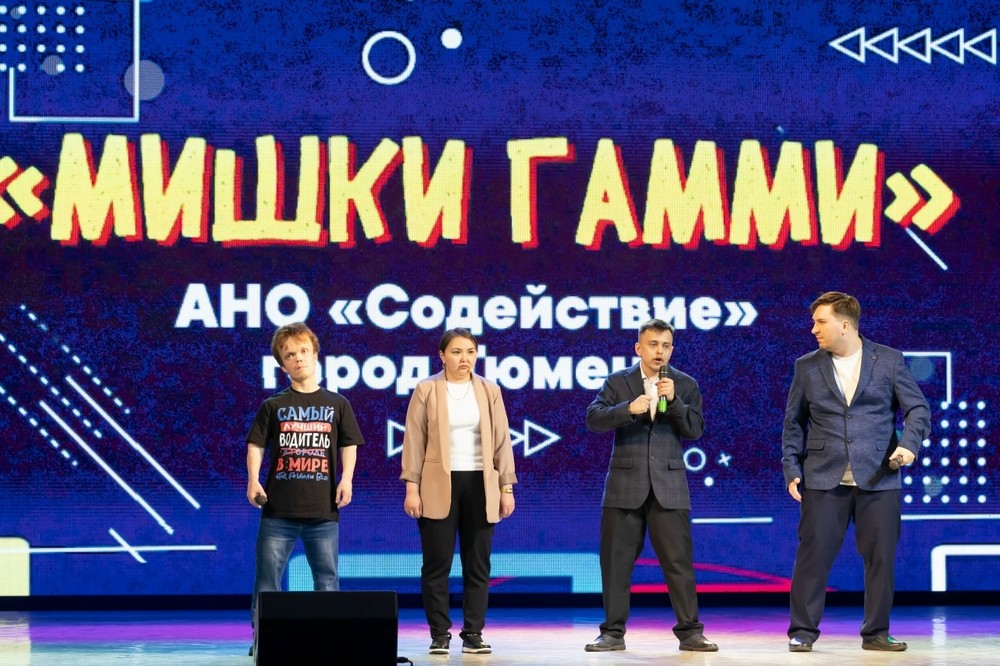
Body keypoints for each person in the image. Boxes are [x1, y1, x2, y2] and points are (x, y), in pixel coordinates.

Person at [782, 291, 930, 653]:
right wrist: (791, 467)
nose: (814, 329)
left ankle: (876, 632)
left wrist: (908, 445)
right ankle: (802, 631)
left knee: (881, 558)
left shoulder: (889, 360)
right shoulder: (807, 366)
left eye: (821, 322)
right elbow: (793, 423)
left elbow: (918, 409)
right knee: (812, 556)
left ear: (845, 325)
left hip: (880, 477)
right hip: (822, 476)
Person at [584, 318, 718, 653]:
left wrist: (675, 402)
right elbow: (594, 418)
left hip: (669, 487)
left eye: (666, 345)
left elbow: (695, 429)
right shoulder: (618, 381)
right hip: (624, 487)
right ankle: (612, 632)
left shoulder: (684, 383)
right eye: (653, 344)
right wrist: (628, 408)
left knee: (679, 564)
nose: (660, 351)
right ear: (639, 348)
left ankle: (690, 632)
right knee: (616, 564)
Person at [246, 322, 364, 655]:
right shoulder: (273, 405)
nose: (298, 358)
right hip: (278, 511)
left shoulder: (337, 403)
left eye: (303, 351)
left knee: (327, 580)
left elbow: (349, 443)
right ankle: (263, 640)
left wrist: (347, 478)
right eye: (289, 355)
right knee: (267, 581)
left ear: (315, 355)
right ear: (283, 366)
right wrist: (253, 479)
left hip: (322, 510)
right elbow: (256, 445)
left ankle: (330, 641)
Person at [400, 328, 517, 655]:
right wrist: (412, 488)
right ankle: (439, 634)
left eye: (470, 352)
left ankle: (473, 633)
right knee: (436, 564)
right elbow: (414, 441)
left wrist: (506, 486)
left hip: (481, 483)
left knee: (478, 564)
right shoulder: (427, 389)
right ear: (442, 355)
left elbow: (502, 441)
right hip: (437, 484)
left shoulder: (490, 390)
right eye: (456, 352)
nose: (464, 358)